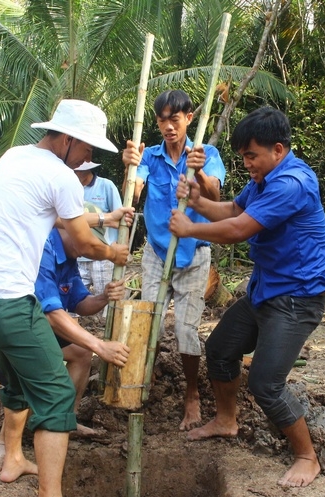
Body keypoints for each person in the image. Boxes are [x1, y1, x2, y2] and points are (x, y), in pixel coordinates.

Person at [0, 98, 134, 497]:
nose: (87, 160)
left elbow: (52, 215)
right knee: (55, 393)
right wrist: (114, 251)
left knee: (19, 375)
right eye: (86, 149)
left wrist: (105, 215)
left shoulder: (16, 156)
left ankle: (14, 457)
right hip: (8, 299)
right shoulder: (61, 175)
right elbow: (83, 242)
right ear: (69, 139)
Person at [169, 106, 325, 488]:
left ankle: (307, 456)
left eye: (251, 156)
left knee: (265, 384)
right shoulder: (263, 179)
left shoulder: (291, 183)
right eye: (242, 156)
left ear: (278, 149)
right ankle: (226, 420)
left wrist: (191, 228)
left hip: (296, 299)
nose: (246, 164)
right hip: (265, 291)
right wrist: (195, 201)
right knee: (221, 349)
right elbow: (231, 208)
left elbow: (240, 228)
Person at [0, 226, 127, 468]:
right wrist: (100, 345)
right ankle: (5, 444)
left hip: (29, 328)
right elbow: (52, 314)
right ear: (72, 229)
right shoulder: (41, 247)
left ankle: (64, 420)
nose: (91, 248)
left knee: (81, 353)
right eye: (90, 240)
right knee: (32, 374)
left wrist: (103, 297)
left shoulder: (69, 257)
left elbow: (79, 303)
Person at [122, 89, 226, 431]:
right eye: (162, 120)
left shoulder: (205, 154)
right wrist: (129, 172)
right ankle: (137, 386)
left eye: (175, 119)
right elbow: (136, 189)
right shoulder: (149, 155)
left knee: (185, 330)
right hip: (156, 251)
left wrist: (197, 175)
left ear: (189, 119)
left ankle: (192, 394)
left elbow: (215, 194)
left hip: (194, 254)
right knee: (146, 320)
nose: (168, 126)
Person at [75, 161, 123, 301]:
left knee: (108, 301)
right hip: (77, 256)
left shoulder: (106, 186)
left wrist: (118, 249)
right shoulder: (69, 188)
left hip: (103, 255)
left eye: (77, 171)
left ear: (86, 171)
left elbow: (121, 219)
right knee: (72, 303)